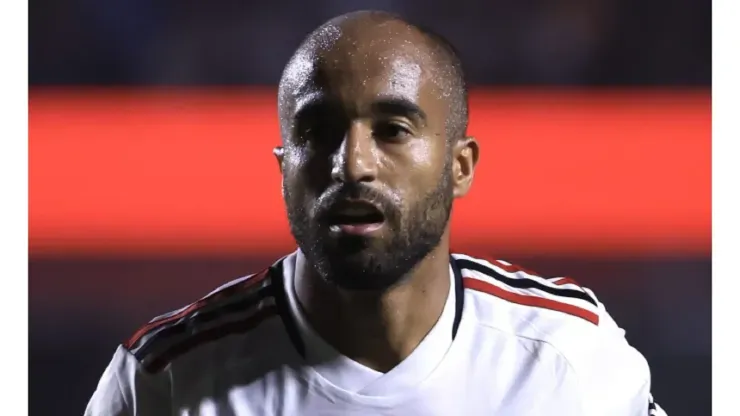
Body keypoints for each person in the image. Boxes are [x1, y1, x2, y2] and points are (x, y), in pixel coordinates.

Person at [85, 10, 667, 416]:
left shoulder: (569, 358)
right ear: (282, 166)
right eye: (319, 132)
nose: (353, 163)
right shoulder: (163, 381)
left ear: (460, 166)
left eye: (392, 130)